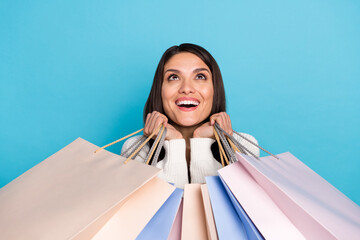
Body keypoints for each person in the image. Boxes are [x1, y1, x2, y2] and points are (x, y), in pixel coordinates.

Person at [121, 43, 259, 188]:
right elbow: (165, 208)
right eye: (174, 77)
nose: (186, 88)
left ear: (214, 89)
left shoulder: (244, 146)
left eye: (200, 76)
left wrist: (202, 142)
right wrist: (174, 143)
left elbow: (214, 208)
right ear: (160, 90)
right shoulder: (136, 149)